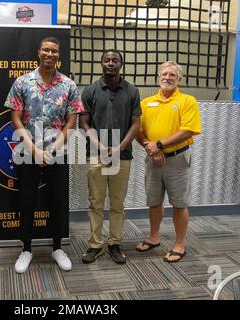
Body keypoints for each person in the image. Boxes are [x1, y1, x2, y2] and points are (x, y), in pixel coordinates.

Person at [4, 36, 84, 273]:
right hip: (27, 151)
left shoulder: (68, 85)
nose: (50, 54)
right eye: (46, 50)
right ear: (39, 52)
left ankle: (58, 247)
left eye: (54, 51)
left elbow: (72, 120)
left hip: (57, 151)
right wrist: (33, 149)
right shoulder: (23, 82)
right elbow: (15, 117)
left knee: (58, 200)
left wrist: (53, 148)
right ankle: (26, 249)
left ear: (59, 55)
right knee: (26, 200)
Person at [135, 61, 201, 263]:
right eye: (164, 74)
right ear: (158, 77)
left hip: (177, 159)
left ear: (179, 79)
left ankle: (179, 244)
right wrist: (150, 147)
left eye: (172, 75)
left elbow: (188, 130)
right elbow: (138, 131)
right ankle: (153, 238)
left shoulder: (187, 101)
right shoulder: (146, 103)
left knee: (179, 203)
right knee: (154, 201)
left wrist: (160, 145)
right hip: (153, 158)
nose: (167, 78)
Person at [80, 49, 140, 264]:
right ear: (102, 63)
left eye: (115, 60)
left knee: (117, 203)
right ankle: (95, 245)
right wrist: (98, 144)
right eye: (107, 60)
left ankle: (114, 244)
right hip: (96, 154)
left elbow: (136, 124)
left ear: (121, 64)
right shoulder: (90, 91)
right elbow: (83, 123)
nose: (111, 63)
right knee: (95, 202)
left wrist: (120, 146)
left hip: (121, 156)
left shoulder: (132, 91)